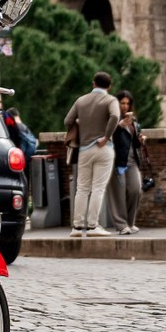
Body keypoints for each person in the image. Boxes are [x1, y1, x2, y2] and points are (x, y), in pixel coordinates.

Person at [64, 73, 123, 237]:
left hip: (84, 149)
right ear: (109, 86)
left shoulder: (81, 101)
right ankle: (92, 226)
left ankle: (76, 227)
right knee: (98, 188)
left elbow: (67, 121)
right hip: (103, 148)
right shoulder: (110, 100)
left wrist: (79, 123)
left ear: (93, 84)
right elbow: (115, 116)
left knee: (82, 188)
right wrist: (106, 136)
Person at [108, 92, 147, 235]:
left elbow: (134, 142)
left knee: (136, 189)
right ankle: (121, 224)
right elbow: (107, 137)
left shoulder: (133, 121)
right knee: (118, 194)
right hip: (117, 160)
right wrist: (118, 126)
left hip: (132, 160)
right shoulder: (112, 119)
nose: (125, 106)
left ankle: (130, 222)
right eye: (122, 103)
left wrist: (140, 139)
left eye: (127, 103)